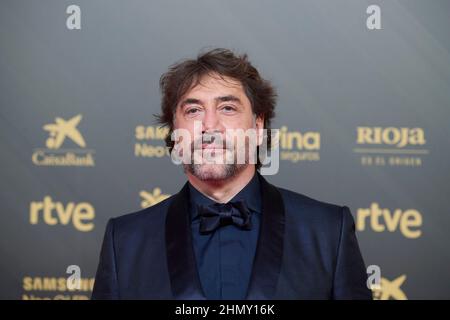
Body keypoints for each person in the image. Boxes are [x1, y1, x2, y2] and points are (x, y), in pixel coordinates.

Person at [91, 48, 372, 300]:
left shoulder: (327, 232)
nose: (209, 125)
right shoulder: (125, 241)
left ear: (258, 124)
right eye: (193, 110)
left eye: (227, 108)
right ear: (175, 131)